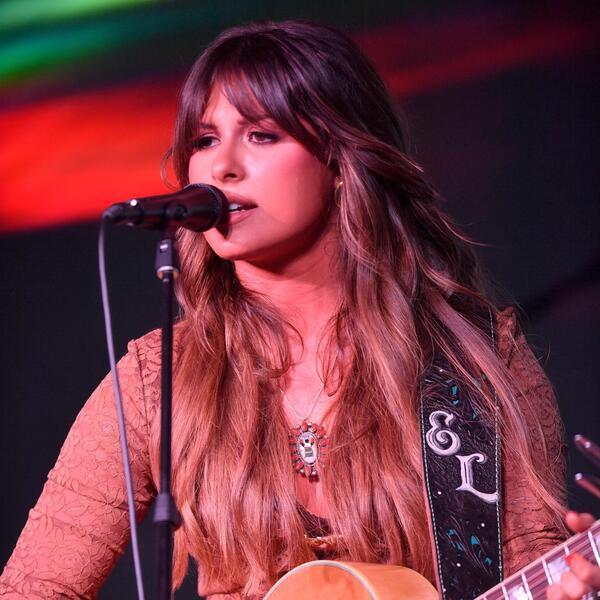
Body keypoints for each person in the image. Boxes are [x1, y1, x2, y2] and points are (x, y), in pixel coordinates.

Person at [0, 20, 598, 600]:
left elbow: (534, 567)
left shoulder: (476, 360)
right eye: (204, 140)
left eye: (261, 135)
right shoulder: (159, 379)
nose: (221, 166)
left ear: (340, 161)